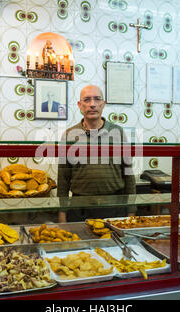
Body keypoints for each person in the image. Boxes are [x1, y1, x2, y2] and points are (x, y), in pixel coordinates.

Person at [57, 84, 136, 222]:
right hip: (79, 208)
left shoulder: (118, 133)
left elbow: (128, 174)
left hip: (115, 207)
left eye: (97, 99)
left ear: (103, 104)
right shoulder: (69, 135)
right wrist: (62, 214)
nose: (92, 104)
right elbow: (63, 178)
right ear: (80, 105)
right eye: (87, 100)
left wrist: (131, 212)